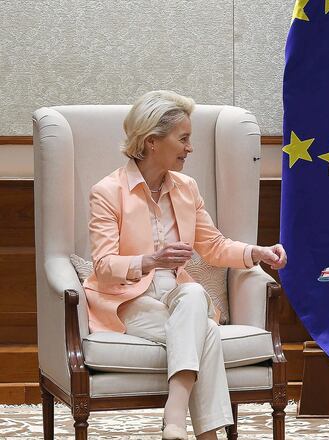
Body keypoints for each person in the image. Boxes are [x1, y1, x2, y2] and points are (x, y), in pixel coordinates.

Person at [82, 90, 287, 440]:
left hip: (177, 294)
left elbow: (214, 246)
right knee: (204, 332)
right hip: (126, 300)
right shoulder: (107, 191)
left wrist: (257, 252)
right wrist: (150, 261)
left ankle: (174, 416)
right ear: (151, 142)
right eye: (184, 138)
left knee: (192, 294)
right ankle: (200, 432)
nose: (190, 148)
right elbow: (102, 266)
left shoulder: (187, 188)